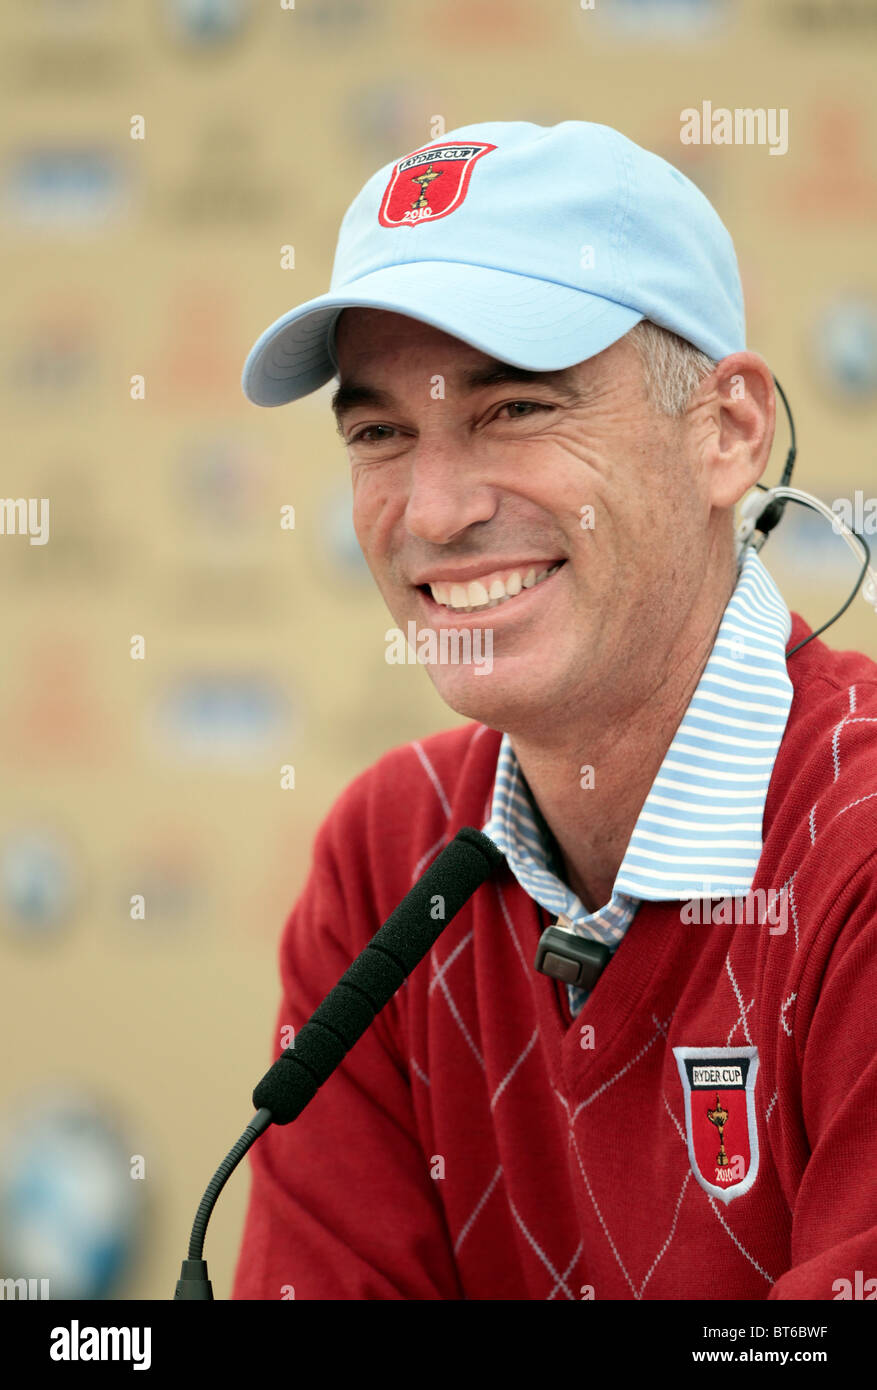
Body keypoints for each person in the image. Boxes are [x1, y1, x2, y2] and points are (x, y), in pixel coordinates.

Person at [231, 121, 877, 1300]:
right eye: (380, 431)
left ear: (727, 430)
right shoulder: (388, 856)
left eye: (515, 408)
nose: (432, 509)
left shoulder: (860, 845)